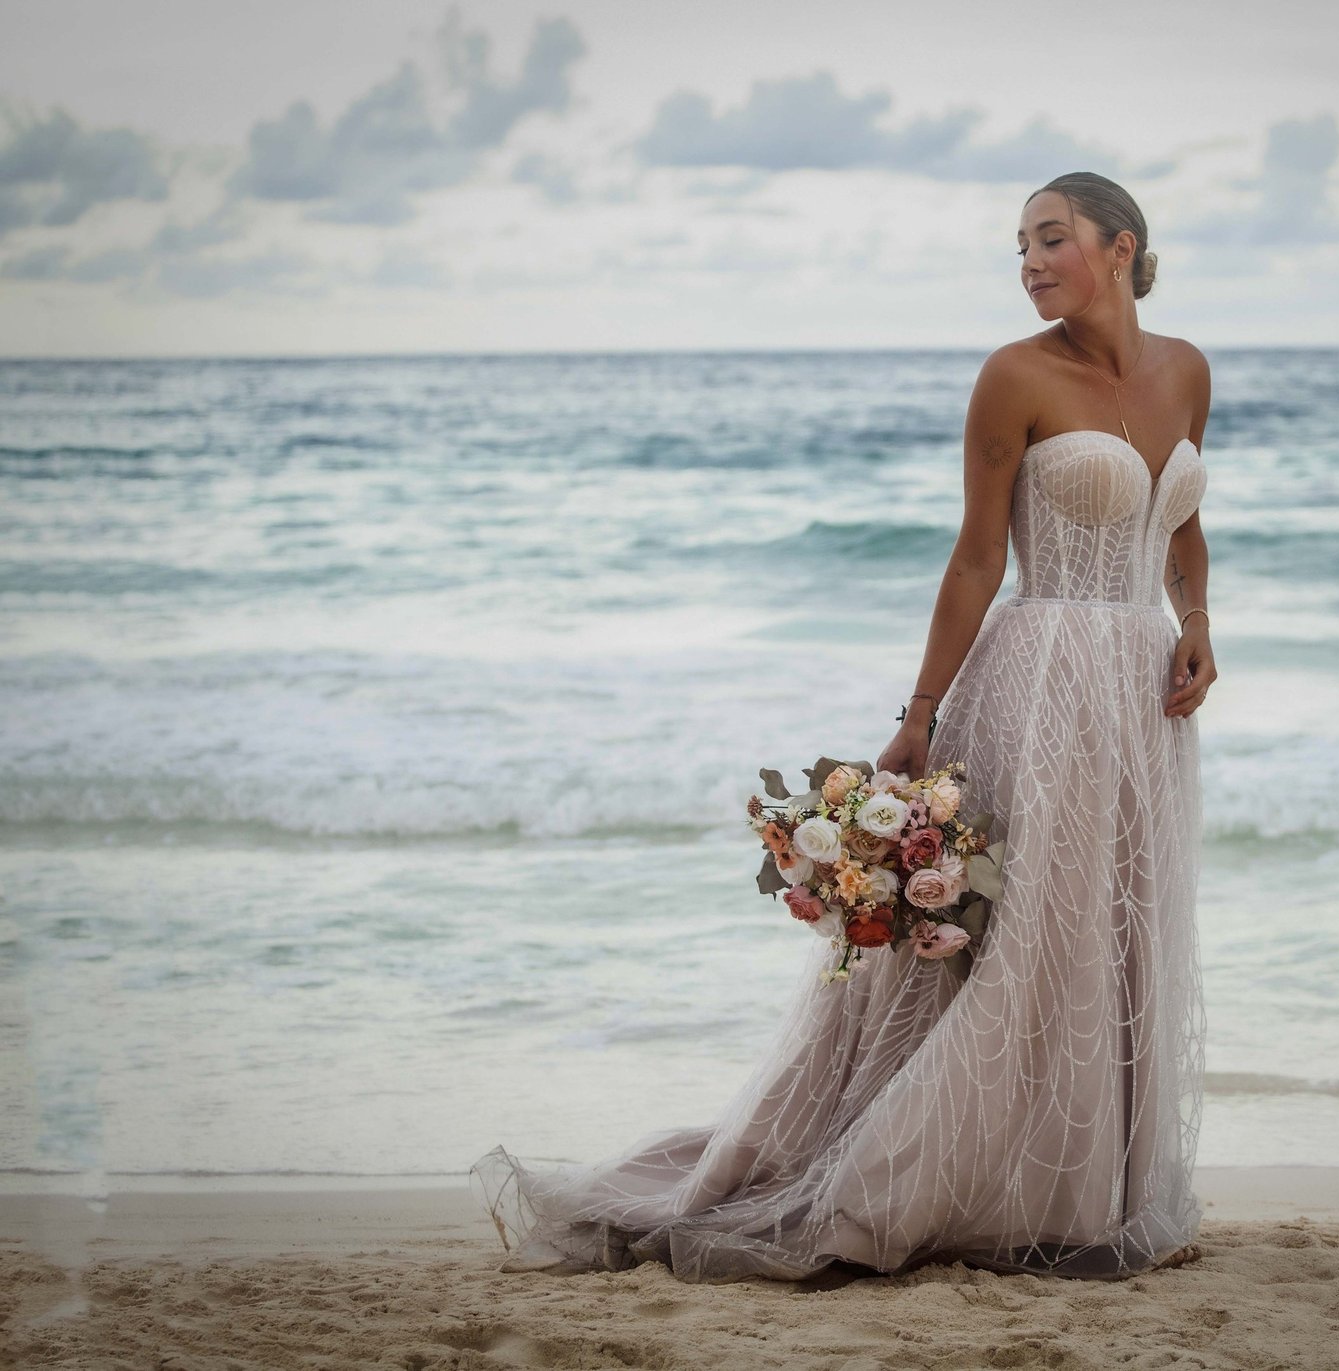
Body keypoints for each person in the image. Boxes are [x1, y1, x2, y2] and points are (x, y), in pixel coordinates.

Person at [471, 170, 1218, 1283]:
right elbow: (975, 558)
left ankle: (1080, 1178)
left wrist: (1197, 619)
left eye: (1051, 240)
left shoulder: (1188, 372)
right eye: (1018, 246)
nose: (1028, 263)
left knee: (1107, 931)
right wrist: (918, 717)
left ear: (1122, 245)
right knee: (1020, 940)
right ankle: (946, 1177)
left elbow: (1185, 523)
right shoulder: (1012, 376)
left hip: (1144, 692)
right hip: (1042, 680)